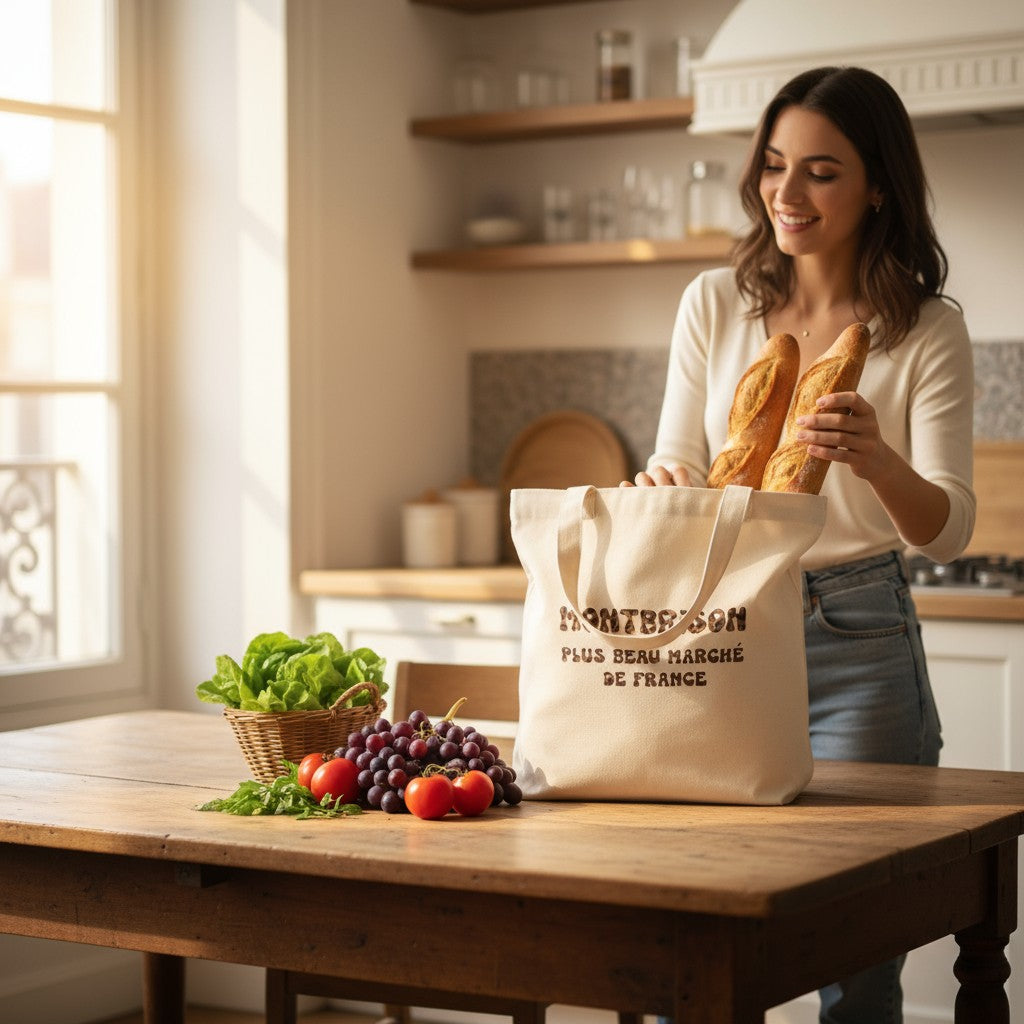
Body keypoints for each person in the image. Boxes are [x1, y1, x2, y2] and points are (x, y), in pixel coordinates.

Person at [628, 66, 976, 1023]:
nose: (786, 194)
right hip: (721, 622)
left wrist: (876, 458)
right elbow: (680, 457)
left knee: (857, 946)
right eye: (775, 166)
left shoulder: (926, 328)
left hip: (858, 632)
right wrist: (665, 481)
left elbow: (948, 529)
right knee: (686, 915)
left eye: (821, 171)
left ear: (878, 186)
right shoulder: (714, 301)